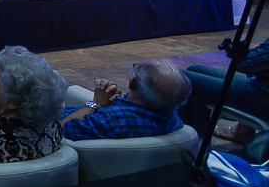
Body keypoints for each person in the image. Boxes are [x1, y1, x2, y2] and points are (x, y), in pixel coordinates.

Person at [61, 58, 191, 140]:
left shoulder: (114, 119)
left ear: (133, 83)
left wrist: (96, 103)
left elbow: (58, 131)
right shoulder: (172, 117)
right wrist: (122, 99)